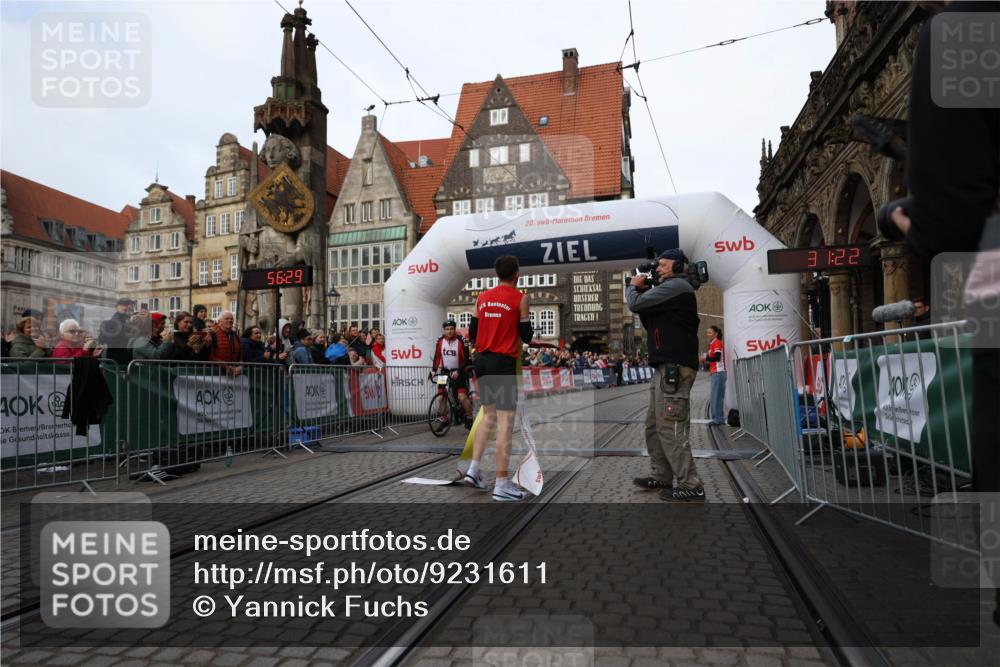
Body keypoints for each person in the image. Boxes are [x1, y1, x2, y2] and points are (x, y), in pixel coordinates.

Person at [626, 249, 704, 502]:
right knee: (654, 425)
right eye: (657, 265)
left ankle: (691, 484)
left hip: (675, 367)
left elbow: (634, 304)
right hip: (664, 366)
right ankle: (661, 475)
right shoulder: (668, 291)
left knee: (671, 426)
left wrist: (632, 286)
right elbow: (649, 319)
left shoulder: (677, 286)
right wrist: (644, 291)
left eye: (663, 265)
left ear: (678, 267)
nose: (658, 269)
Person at [467, 255, 533, 501]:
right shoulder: (520, 298)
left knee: (488, 416)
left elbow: (473, 332)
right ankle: (502, 484)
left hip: (482, 361)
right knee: (505, 423)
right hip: (503, 362)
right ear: (517, 274)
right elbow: (527, 335)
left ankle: (473, 469)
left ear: (496, 274)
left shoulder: (482, 297)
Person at [433, 319, 474, 427]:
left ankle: (470, 418)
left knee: (462, 398)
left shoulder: (461, 340)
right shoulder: (440, 340)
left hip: (459, 371)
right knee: (440, 398)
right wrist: (433, 370)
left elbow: (466, 359)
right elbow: (437, 356)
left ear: (455, 329)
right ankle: (445, 419)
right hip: (444, 372)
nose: (449, 331)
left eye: (451, 329)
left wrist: (458, 371)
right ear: (444, 330)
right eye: (447, 329)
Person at [701, 326, 727, 425]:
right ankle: (719, 419)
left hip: (718, 373)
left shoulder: (717, 343)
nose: (708, 335)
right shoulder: (712, 343)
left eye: (710, 333)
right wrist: (706, 361)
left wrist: (705, 358)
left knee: (715, 397)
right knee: (718, 397)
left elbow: (717, 357)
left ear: (716, 334)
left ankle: (717, 419)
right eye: (707, 332)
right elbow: (713, 359)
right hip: (716, 372)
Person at [98, 298, 134, 366]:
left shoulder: (125, 320)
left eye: (130, 305)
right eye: (125, 305)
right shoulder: (115, 320)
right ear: (117, 307)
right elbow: (110, 337)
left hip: (122, 359)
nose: (128, 307)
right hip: (116, 360)